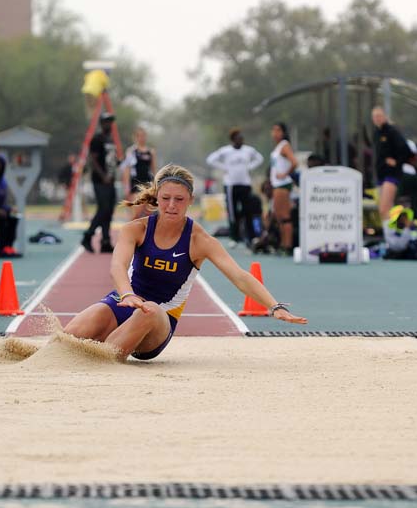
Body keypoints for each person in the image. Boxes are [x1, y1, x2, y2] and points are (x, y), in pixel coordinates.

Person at [63, 164, 307, 361]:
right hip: (125, 302)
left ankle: (100, 358)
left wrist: (275, 307)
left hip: (159, 321)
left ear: (190, 199)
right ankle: (54, 355)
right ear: (157, 197)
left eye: (179, 199)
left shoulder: (200, 240)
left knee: (151, 310)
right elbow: (117, 266)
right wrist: (127, 295)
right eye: (166, 198)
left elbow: (239, 276)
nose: (171, 205)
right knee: (88, 320)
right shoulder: (135, 229)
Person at [206, 127, 264, 248]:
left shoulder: (248, 150)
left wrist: (249, 167)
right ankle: (234, 237)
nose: (241, 140)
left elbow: (260, 159)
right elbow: (210, 159)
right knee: (233, 213)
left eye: (242, 138)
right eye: (238, 138)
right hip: (231, 185)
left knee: (248, 211)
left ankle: (251, 237)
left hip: (245, 184)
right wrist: (224, 167)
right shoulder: (225, 151)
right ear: (233, 140)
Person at [82, 112, 121, 253]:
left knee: (109, 210)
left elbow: (111, 159)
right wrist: (103, 175)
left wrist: (119, 163)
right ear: (101, 123)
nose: (109, 124)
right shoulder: (97, 139)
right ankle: (87, 236)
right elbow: (93, 160)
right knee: (103, 208)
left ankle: (105, 240)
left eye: (111, 122)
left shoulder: (110, 140)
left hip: (111, 180)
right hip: (100, 180)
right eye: (106, 122)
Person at [371, 106, 411, 222]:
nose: (377, 119)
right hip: (381, 174)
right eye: (374, 116)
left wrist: (397, 162)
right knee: (385, 210)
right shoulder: (376, 133)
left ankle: (392, 235)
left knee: (385, 208)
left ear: (384, 116)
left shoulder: (392, 131)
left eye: (379, 116)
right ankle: (392, 232)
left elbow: (406, 150)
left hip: (391, 174)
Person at [269, 122, 299, 256]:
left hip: (283, 184)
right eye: (273, 130)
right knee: (278, 215)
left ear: (283, 132)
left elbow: (294, 162)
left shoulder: (285, 145)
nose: (275, 133)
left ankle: (288, 245)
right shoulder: (277, 147)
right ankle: (282, 243)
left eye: (278, 130)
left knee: (285, 216)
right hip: (276, 184)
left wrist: (285, 174)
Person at [122, 127, 157, 220]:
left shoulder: (151, 152)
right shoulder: (131, 151)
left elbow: (154, 170)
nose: (141, 138)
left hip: (148, 184)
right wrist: (126, 187)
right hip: (136, 184)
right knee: (137, 212)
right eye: (139, 136)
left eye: (143, 136)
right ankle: (130, 233)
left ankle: (146, 233)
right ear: (135, 137)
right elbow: (127, 170)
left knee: (149, 212)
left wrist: (156, 184)